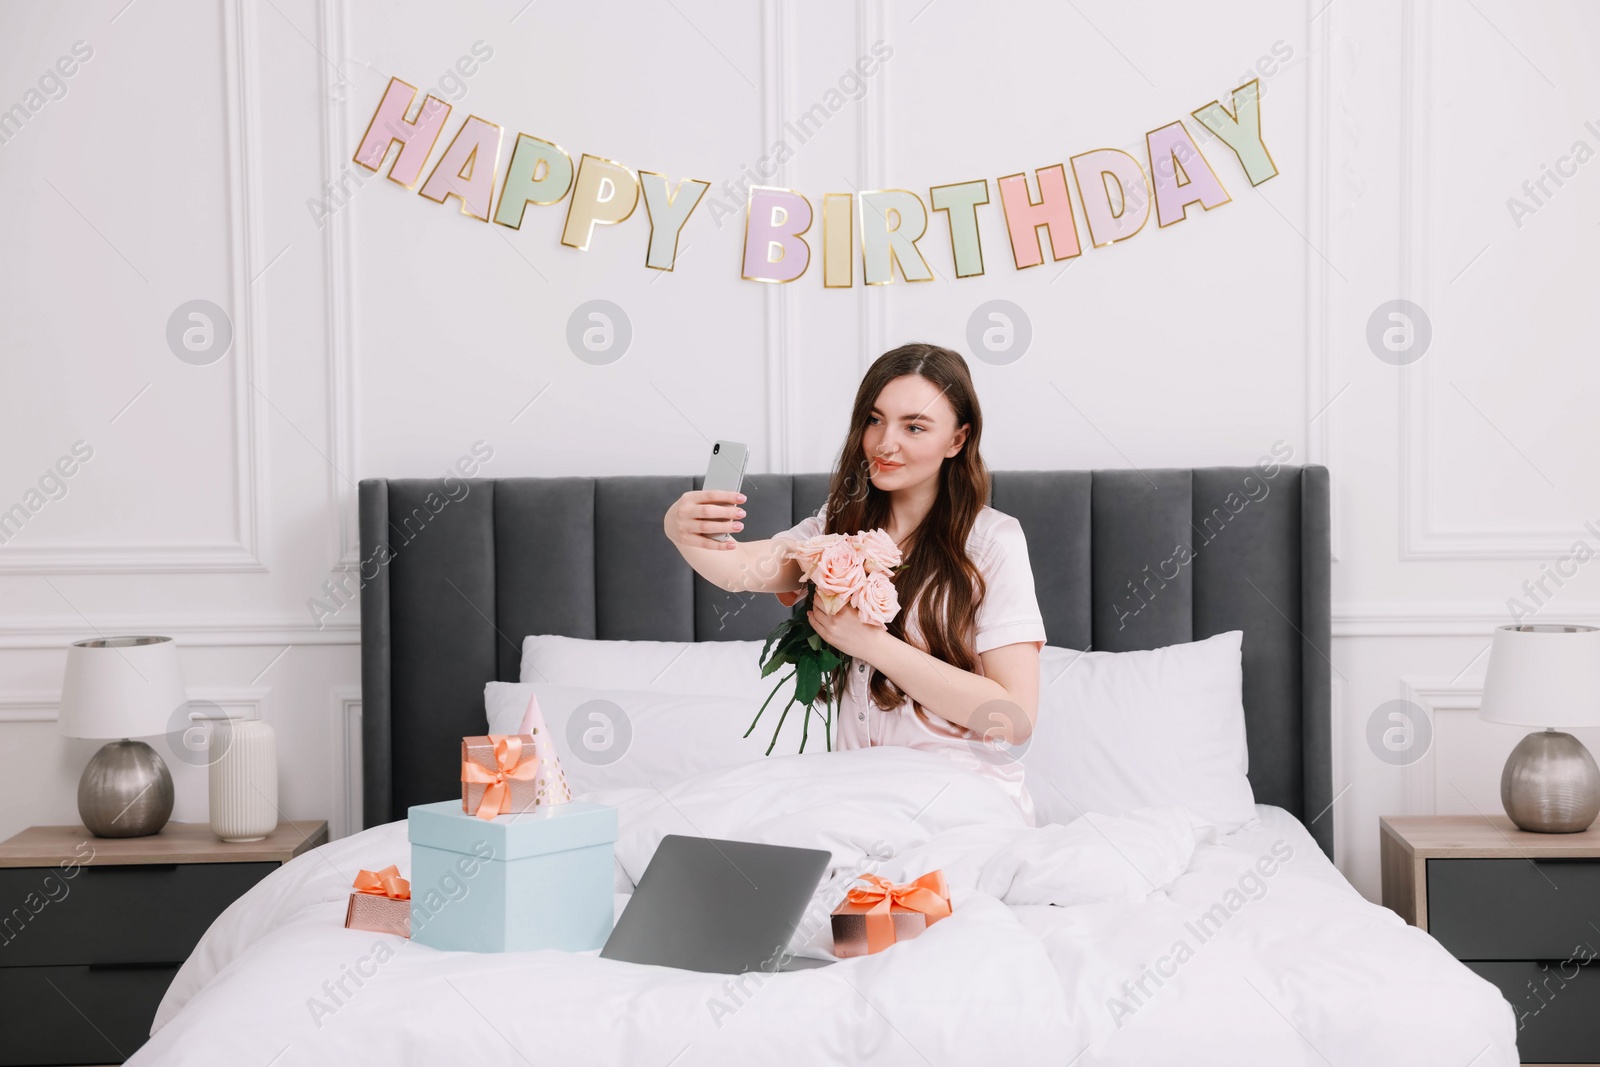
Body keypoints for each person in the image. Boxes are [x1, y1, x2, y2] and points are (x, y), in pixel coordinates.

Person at [662, 342, 1048, 822]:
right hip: (858, 788)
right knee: (716, 813)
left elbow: (1012, 719)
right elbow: (744, 568)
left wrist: (873, 645)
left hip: (959, 792)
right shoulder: (839, 524)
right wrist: (683, 531)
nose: (886, 443)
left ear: (957, 440)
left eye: (915, 426)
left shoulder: (992, 542)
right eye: (874, 419)